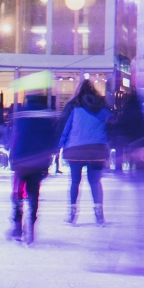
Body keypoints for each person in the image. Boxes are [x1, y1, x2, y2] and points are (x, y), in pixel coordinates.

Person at [9, 92, 62, 244]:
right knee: (34, 194)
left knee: (18, 193)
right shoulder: (47, 117)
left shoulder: (22, 115)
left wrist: (12, 156)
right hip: (38, 162)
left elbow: (15, 136)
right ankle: (31, 224)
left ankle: (17, 224)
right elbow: (52, 139)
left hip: (21, 160)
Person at [58, 80, 113, 225]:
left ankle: (72, 214)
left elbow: (66, 128)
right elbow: (112, 125)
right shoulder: (103, 108)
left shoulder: (73, 107)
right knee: (95, 182)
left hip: (75, 150)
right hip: (97, 150)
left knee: (75, 182)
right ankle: (99, 214)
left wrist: (59, 146)